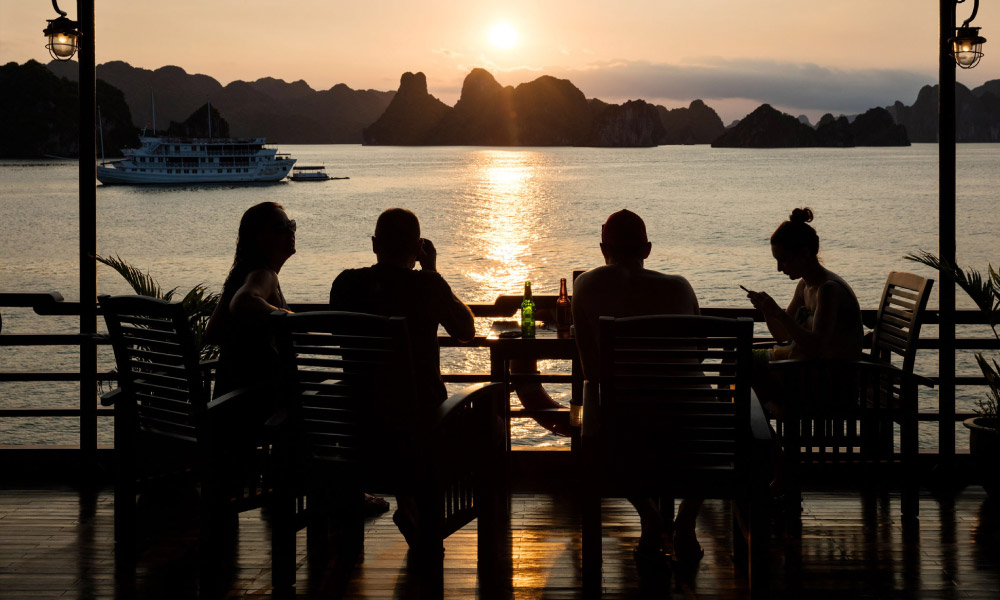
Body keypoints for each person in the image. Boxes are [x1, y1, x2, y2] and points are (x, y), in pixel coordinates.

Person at [328, 207, 475, 542]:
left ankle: (407, 505)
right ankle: (487, 537)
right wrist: (433, 272)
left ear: (374, 244)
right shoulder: (428, 285)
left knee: (396, 409)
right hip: (421, 435)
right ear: (419, 247)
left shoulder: (345, 284)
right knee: (491, 424)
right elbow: (466, 330)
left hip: (360, 433)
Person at [571, 209, 704, 563]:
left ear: (603, 248)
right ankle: (687, 521)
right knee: (708, 413)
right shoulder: (679, 286)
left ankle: (649, 517)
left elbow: (591, 371)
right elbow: (701, 352)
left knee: (602, 422)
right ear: (647, 249)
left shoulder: (584, 285)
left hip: (627, 432)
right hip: (695, 431)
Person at [745, 207, 864, 417]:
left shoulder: (829, 290)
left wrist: (778, 313)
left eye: (783, 260)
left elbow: (817, 347)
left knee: (739, 370)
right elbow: (782, 336)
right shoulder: (804, 286)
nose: (779, 268)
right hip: (805, 373)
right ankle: (761, 428)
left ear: (805, 253)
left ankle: (757, 433)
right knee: (736, 364)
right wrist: (767, 311)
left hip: (830, 385)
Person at [206, 201, 295, 404]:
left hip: (226, 404)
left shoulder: (240, 274)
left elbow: (212, 333)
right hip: (256, 408)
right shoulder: (265, 275)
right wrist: (291, 322)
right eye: (280, 228)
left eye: (291, 225)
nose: (290, 232)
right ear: (259, 238)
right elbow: (243, 301)